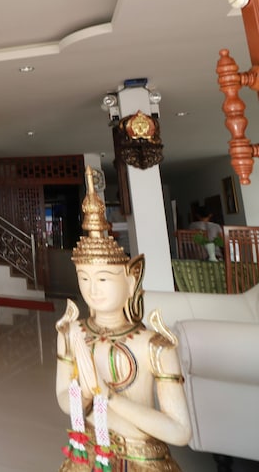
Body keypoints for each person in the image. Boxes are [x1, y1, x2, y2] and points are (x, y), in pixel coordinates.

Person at [55, 168, 191, 471]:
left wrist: (110, 398)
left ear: (131, 281)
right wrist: (85, 394)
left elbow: (180, 431)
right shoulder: (70, 332)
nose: (92, 290)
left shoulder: (154, 345)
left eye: (103, 278)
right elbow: (64, 398)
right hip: (89, 449)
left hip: (143, 455)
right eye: (84, 278)